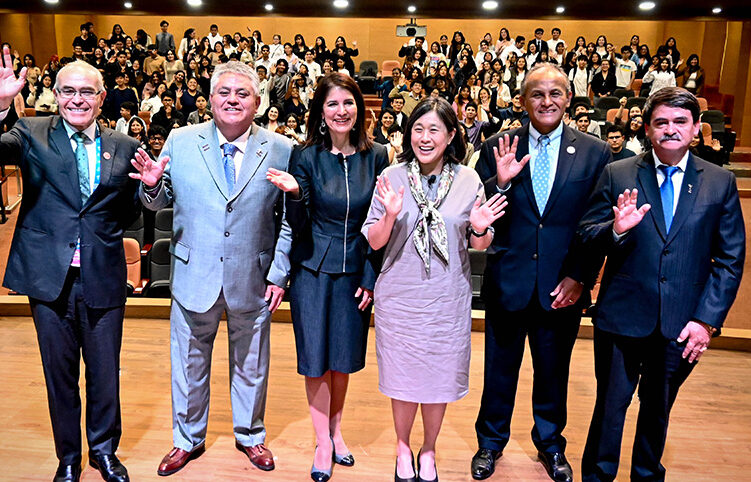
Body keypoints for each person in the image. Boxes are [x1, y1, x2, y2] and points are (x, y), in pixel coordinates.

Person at [131, 61, 294, 476]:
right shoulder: (181, 140)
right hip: (193, 274)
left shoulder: (280, 148)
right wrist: (150, 184)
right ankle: (187, 439)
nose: (233, 99)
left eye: (243, 93)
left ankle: (251, 436)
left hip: (254, 277)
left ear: (258, 101)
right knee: (188, 362)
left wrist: (278, 273)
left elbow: (289, 218)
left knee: (252, 363)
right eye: (224, 92)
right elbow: (156, 201)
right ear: (210, 98)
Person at [578, 87, 745, 482]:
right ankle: (597, 476)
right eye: (661, 122)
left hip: (681, 323)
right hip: (621, 318)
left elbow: (730, 259)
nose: (670, 129)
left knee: (658, 409)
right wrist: (614, 230)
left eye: (679, 122)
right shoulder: (619, 173)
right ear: (648, 130)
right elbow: (586, 234)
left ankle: (647, 475)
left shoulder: (719, 182)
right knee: (609, 408)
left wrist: (706, 321)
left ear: (695, 128)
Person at [0, 53, 140, 482]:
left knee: (104, 372)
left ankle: (104, 451)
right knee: (59, 374)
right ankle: (67, 457)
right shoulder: (30, 132)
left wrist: (151, 188)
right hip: (49, 277)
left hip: (103, 274)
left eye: (86, 92)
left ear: (102, 98)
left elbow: (133, 211)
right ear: (56, 95)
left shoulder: (125, 145)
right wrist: (1, 107)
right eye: (68, 91)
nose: (77, 99)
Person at [472, 63, 612, 481]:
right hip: (508, 282)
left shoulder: (595, 151)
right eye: (537, 94)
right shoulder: (499, 145)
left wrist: (580, 277)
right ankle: (489, 444)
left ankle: (550, 445)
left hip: (562, 286)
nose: (546, 102)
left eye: (555, 94)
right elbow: (479, 215)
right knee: (499, 371)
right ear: (522, 100)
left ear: (569, 98)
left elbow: (596, 221)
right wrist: (499, 184)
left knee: (554, 372)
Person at [363, 97, 506, 482]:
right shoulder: (391, 177)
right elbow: (375, 243)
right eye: (418, 129)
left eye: (434, 130)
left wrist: (478, 226)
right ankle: (402, 447)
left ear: (451, 136)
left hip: (447, 295)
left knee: (438, 377)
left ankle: (428, 450)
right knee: (403, 377)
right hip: (400, 295)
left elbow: (480, 244)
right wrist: (390, 215)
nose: (425, 138)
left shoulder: (468, 179)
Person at [265, 72, 387, 482]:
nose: (341, 111)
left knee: (342, 360)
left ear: (360, 108)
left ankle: (337, 431)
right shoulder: (305, 156)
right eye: (332, 104)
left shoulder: (379, 156)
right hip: (312, 267)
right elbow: (296, 221)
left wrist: (370, 276)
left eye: (348, 103)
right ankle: (322, 441)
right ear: (320, 111)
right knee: (316, 360)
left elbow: (380, 224)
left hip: (357, 268)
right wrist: (295, 195)